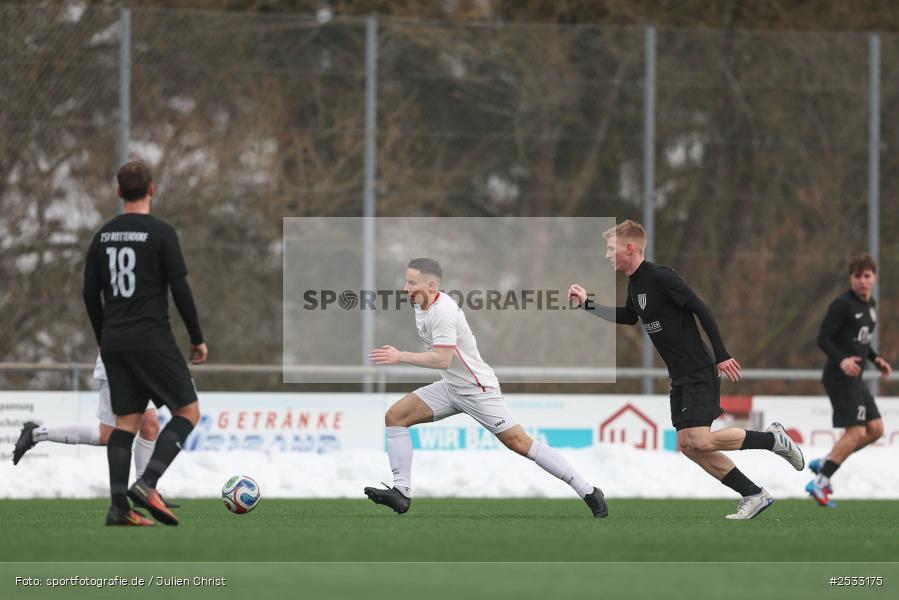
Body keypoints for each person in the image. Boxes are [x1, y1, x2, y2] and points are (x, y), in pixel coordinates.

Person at [568, 220, 804, 520]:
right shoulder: (635, 283)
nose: (607, 255)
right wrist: (588, 305)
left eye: (611, 249)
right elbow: (629, 317)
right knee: (689, 446)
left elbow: (700, 309)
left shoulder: (660, 277)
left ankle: (773, 440)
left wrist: (721, 354)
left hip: (697, 368)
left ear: (630, 248)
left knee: (701, 439)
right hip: (679, 375)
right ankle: (753, 494)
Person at [364, 258, 608, 517]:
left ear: (432, 285)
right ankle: (401, 493)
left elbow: (442, 359)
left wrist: (401, 356)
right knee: (396, 416)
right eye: (406, 281)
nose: (405, 288)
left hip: (477, 389)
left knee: (519, 443)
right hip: (451, 387)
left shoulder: (442, 311)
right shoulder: (422, 304)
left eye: (412, 283)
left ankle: (589, 491)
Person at [82, 160, 207, 526]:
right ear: (152, 189)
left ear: (119, 192)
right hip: (151, 337)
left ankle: (119, 508)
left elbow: (90, 293)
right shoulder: (162, 233)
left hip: (115, 341)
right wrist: (197, 338)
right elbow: (180, 288)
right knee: (187, 412)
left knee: (126, 423)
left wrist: (102, 336)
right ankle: (147, 483)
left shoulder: (102, 235)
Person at [12, 355, 179, 509]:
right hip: (119, 363)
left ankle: (144, 491)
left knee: (150, 427)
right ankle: (36, 433)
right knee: (107, 435)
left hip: (141, 363)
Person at [809, 253, 891, 507]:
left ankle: (825, 462)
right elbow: (823, 338)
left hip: (855, 377)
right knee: (854, 433)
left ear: (874, 278)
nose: (862, 281)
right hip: (839, 376)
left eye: (867, 276)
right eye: (857, 276)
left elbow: (861, 342)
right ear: (850, 278)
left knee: (875, 430)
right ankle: (820, 480)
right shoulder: (842, 305)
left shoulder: (871, 305)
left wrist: (876, 359)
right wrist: (842, 360)